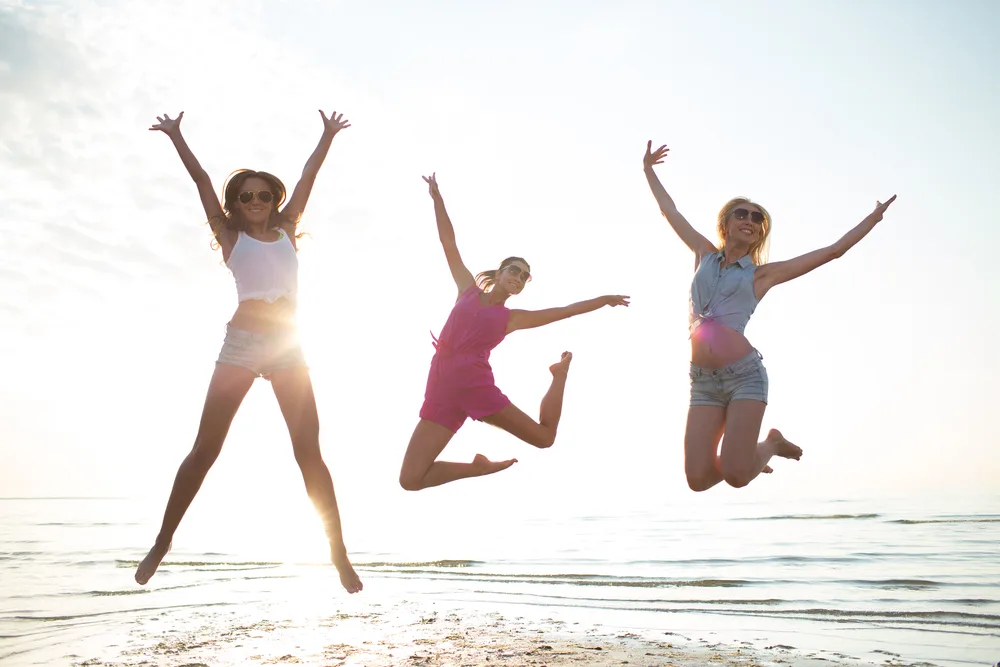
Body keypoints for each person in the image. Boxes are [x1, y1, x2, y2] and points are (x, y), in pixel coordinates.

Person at [135, 110, 362, 594]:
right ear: (235, 204)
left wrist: (326, 136)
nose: (256, 201)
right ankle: (163, 540)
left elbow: (308, 177)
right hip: (240, 347)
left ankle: (337, 552)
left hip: (287, 346)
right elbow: (199, 180)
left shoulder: (286, 229)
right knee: (205, 450)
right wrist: (178, 136)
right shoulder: (230, 236)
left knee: (309, 453)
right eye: (246, 196)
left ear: (273, 200)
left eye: (263, 194)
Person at [642, 140, 896, 492]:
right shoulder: (702, 253)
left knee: (735, 476)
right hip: (702, 381)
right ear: (726, 223)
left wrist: (872, 218)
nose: (750, 220)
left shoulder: (761, 275)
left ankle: (769, 445)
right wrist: (648, 170)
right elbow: (670, 211)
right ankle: (748, 458)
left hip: (744, 377)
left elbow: (833, 251)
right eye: (742, 214)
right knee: (697, 480)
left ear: (760, 232)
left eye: (757, 218)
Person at [398, 173, 630, 491]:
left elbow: (563, 312)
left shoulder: (511, 318)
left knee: (544, 437)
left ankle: (558, 375)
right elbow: (448, 242)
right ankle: (477, 468)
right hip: (441, 386)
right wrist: (437, 197)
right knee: (410, 479)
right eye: (515, 271)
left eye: (524, 277)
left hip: (474, 385)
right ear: (500, 271)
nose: (519, 277)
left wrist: (603, 301)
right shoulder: (466, 288)